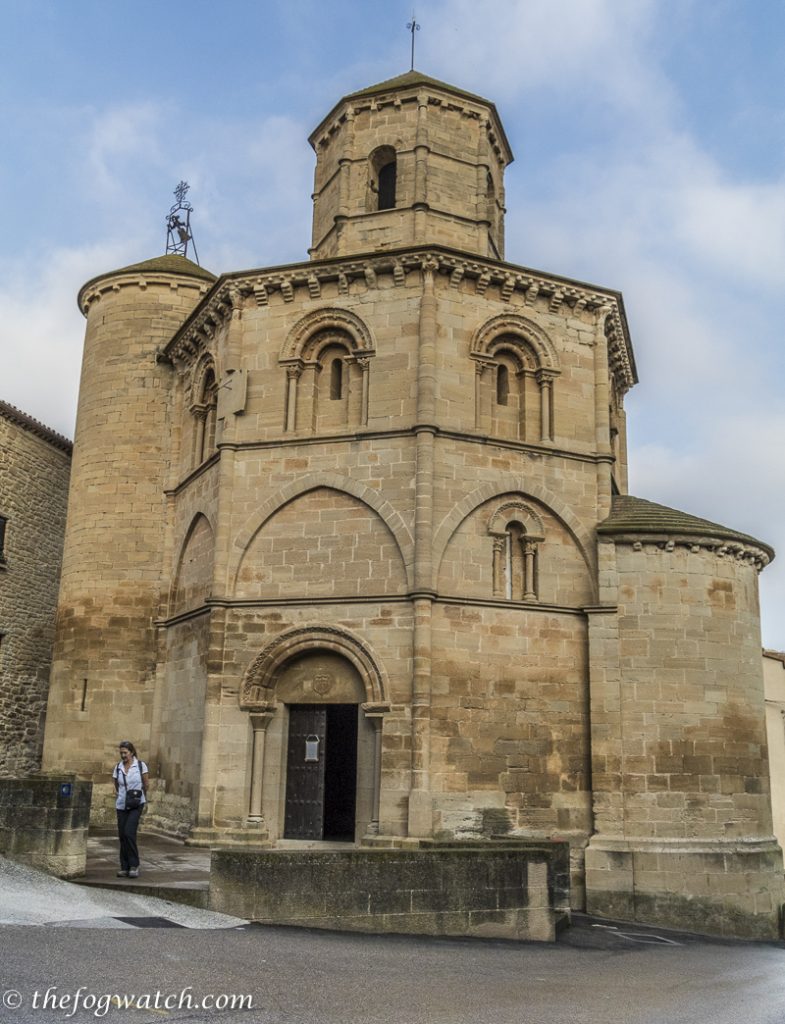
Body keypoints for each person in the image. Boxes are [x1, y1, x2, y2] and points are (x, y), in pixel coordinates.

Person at [112, 740, 149, 878]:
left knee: (129, 833)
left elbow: (146, 784)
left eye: (125, 753)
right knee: (122, 836)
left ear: (132, 752)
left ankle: (134, 865)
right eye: (121, 753)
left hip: (136, 804)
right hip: (121, 805)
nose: (123, 755)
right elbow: (116, 785)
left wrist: (138, 797)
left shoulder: (140, 766)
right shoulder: (118, 767)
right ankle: (124, 866)